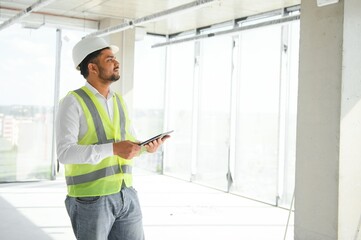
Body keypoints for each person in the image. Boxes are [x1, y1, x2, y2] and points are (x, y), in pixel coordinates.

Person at [55, 36, 169, 240]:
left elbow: (127, 144)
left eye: (114, 58)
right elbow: (65, 153)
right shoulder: (72, 102)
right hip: (90, 198)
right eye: (109, 59)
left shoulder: (119, 101)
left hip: (126, 193)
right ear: (93, 67)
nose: (117, 62)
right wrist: (114, 149)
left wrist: (145, 148)